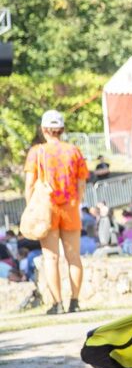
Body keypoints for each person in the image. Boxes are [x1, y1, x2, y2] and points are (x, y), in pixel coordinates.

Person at [23, 109, 89, 314]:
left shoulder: (37, 152)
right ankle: (74, 302)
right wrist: (76, 202)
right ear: (62, 129)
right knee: (73, 257)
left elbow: (29, 184)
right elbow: (81, 183)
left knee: (51, 258)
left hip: (47, 210)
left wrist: (31, 207)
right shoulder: (74, 151)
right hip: (70, 208)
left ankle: (57, 303)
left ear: (44, 129)